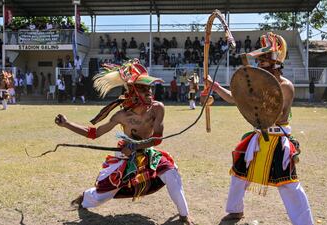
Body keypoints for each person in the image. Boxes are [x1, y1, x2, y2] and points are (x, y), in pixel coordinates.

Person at [55, 59, 194, 225]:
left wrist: (136, 146)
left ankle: (184, 216)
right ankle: (85, 198)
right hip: (125, 156)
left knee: (171, 172)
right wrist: (67, 124)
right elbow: (93, 133)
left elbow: (157, 138)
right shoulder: (121, 116)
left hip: (146, 152)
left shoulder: (158, 108)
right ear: (133, 92)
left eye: (149, 88)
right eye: (143, 88)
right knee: (104, 193)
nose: (149, 92)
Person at [205, 32, 313, 225]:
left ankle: (305, 222)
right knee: (239, 174)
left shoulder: (286, 86)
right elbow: (235, 98)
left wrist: (257, 100)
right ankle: (235, 210)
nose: (260, 62)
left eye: (265, 58)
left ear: (276, 61)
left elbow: (277, 116)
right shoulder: (255, 82)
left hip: (278, 139)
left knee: (289, 184)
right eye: (259, 59)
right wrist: (215, 87)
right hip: (257, 137)